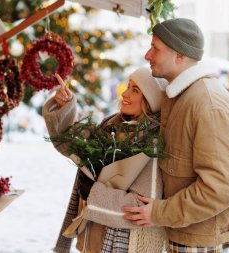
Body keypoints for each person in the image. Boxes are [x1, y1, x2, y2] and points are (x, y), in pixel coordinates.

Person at [122, 18, 229, 253]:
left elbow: (223, 185)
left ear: (180, 55)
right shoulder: (180, 95)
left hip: (200, 237)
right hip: (188, 230)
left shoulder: (206, 103)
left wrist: (161, 213)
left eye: (156, 48)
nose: (147, 55)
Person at [42, 68, 167, 253]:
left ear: (151, 100)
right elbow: (70, 144)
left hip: (126, 246)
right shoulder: (111, 127)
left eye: (135, 90)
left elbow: (141, 209)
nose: (124, 93)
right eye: (128, 86)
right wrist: (65, 106)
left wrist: (93, 193)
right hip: (95, 240)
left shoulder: (151, 143)